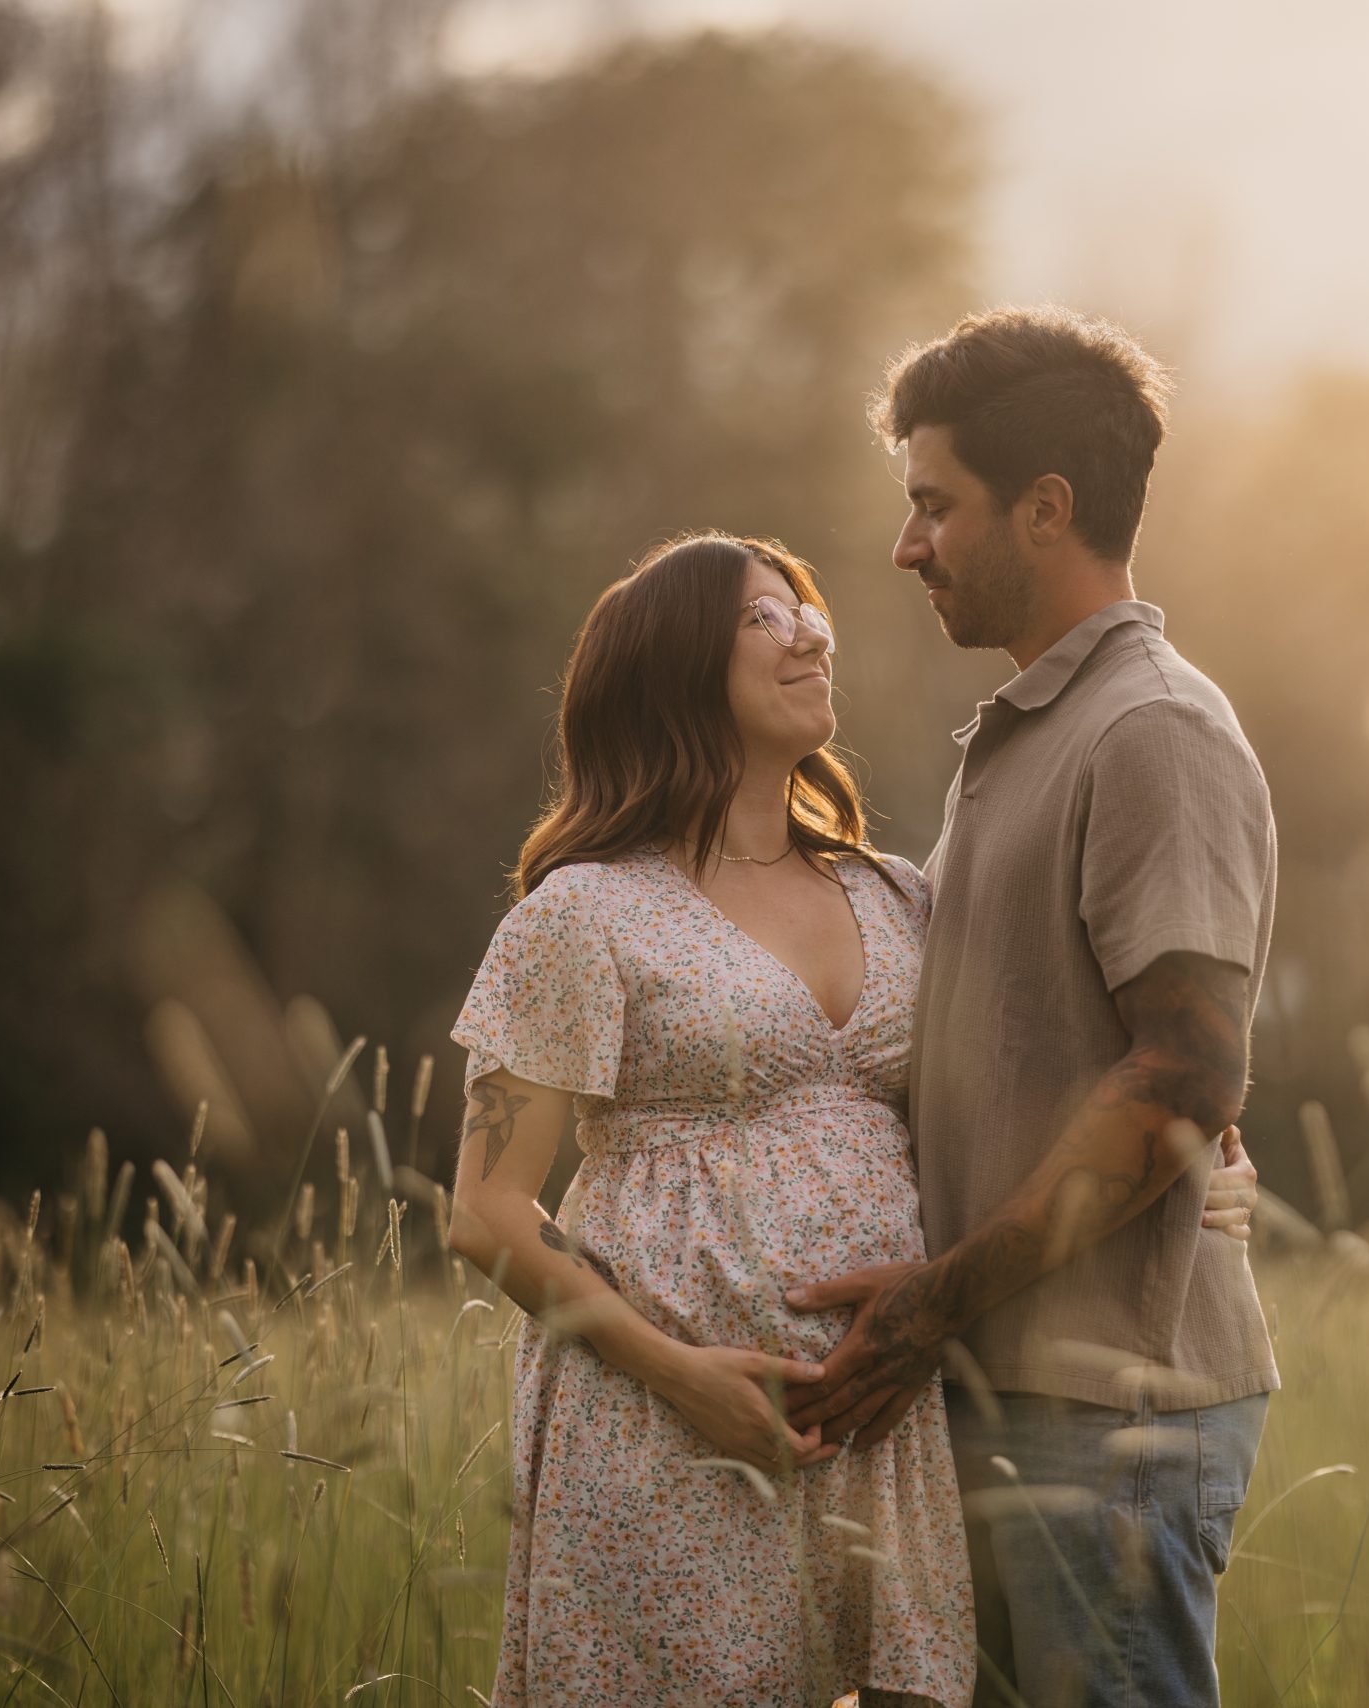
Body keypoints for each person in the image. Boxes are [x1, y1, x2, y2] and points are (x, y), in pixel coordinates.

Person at [443, 531, 1259, 1707]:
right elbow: (485, 1211)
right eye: (762, 619)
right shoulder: (584, 914)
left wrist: (1206, 1124)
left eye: (806, 610)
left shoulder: (899, 894)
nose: (812, 631)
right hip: (664, 1424)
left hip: (882, 1425)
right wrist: (682, 1376)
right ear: (672, 670)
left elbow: (1057, 1045)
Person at [787, 307, 1281, 1708]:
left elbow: (1187, 1080)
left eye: (934, 506)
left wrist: (929, 1305)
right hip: (1005, 1402)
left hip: (1104, 1419)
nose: (905, 547)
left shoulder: (1152, 731)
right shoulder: (1030, 735)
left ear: (1046, 509)